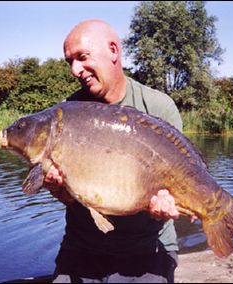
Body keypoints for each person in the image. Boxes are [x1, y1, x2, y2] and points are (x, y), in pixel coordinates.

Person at [44, 19, 189, 283]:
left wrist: (167, 203)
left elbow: (181, 176)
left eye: (82, 57)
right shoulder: (66, 113)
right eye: (69, 62)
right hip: (83, 249)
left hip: (148, 248)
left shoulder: (158, 106)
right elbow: (71, 198)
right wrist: (62, 192)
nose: (75, 69)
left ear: (113, 50)